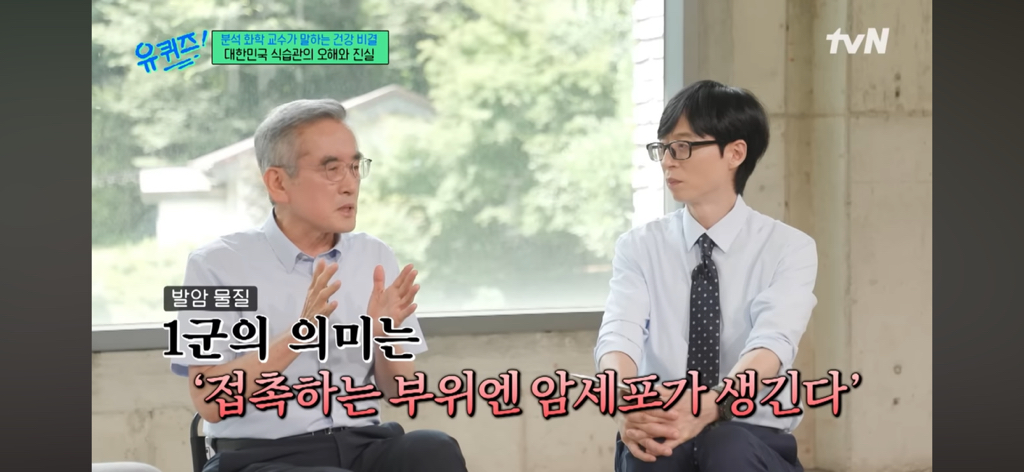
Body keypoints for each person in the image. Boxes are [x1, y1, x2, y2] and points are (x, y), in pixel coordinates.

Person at [168, 99, 468, 472]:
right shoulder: (213, 265)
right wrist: (299, 335)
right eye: (331, 169)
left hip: (363, 445)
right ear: (278, 183)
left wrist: (384, 336)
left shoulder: (374, 256)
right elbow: (210, 401)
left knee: (433, 449)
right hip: (259, 457)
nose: (350, 184)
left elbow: (400, 392)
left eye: (355, 167)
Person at [593, 80, 817, 472]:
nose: (668, 161)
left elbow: (772, 344)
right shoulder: (638, 247)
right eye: (663, 148)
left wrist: (711, 404)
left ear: (735, 153)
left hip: (751, 438)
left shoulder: (788, 248)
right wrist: (624, 400)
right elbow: (619, 335)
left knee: (725, 444)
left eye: (682, 147)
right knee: (656, 449)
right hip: (664, 427)